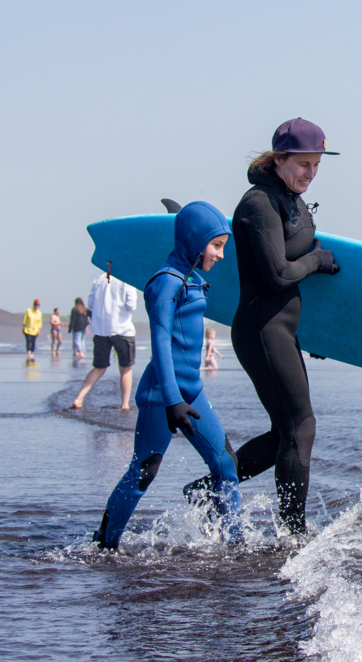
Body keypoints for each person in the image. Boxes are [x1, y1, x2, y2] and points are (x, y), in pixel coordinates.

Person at [184, 117, 340, 534]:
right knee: (300, 426)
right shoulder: (258, 204)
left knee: (283, 433)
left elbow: (296, 260)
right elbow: (277, 275)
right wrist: (317, 261)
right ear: (279, 159)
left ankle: (207, 489)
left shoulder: (292, 201)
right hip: (261, 329)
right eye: (303, 164)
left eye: (316, 166)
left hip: (283, 330)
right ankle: (294, 533)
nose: (310, 173)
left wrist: (328, 333)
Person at [93, 201, 242, 549]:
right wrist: (173, 401)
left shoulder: (189, 275)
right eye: (216, 245)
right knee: (144, 471)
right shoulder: (165, 283)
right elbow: (159, 343)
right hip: (164, 395)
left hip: (191, 394)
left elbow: (191, 233)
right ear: (194, 241)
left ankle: (235, 546)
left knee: (226, 465)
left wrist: (184, 216)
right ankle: (105, 544)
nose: (221, 255)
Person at [71, 271, 138, 410]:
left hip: (101, 330)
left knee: (99, 367)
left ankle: (79, 398)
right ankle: (125, 405)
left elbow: (91, 303)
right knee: (125, 368)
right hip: (122, 329)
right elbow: (131, 305)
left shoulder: (99, 279)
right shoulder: (127, 278)